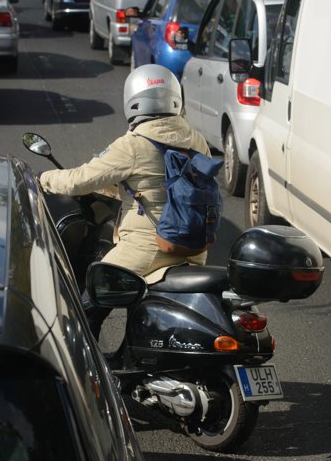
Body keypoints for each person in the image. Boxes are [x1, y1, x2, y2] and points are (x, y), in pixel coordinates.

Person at [38, 64, 213, 339]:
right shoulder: (197, 141)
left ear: (134, 100)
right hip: (194, 247)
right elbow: (161, 182)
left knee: (91, 301)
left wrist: (43, 179)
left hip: (148, 248)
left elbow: (79, 180)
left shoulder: (133, 144)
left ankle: (90, 373)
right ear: (175, 98)